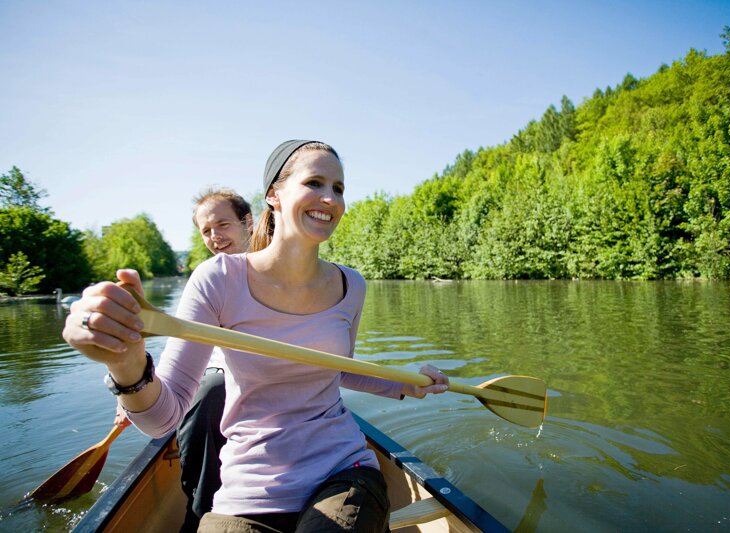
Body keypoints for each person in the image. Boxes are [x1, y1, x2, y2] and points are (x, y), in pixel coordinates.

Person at [63, 140, 449, 533]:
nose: (330, 198)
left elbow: (337, 371)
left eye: (338, 188)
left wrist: (407, 384)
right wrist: (125, 364)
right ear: (273, 197)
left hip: (343, 468)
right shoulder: (218, 279)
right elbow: (165, 419)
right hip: (249, 488)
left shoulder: (352, 285)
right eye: (314, 182)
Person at [113, 186, 254, 532]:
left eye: (223, 225)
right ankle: (202, 513)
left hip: (268, 381)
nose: (215, 237)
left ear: (248, 222)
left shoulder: (283, 272)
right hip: (215, 379)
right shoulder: (207, 280)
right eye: (206, 231)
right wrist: (135, 386)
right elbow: (182, 347)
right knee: (214, 390)